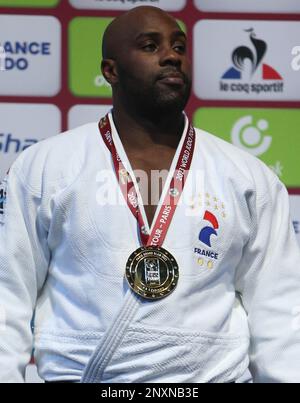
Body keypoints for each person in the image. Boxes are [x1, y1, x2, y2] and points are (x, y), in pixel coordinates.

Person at [0, 6, 300, 384]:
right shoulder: (46, 166)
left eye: (179, 46)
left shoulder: (247, 177)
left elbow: (280, 309)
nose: (172, 55)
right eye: (150, 46)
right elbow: (7, 296)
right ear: (111, 71)